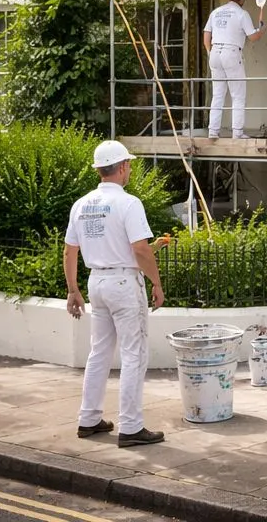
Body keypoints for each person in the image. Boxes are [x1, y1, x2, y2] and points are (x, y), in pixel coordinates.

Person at [64, 140, 165, 448]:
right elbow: (139, 249)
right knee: (134, 354)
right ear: (121, 168)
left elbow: (70, 251)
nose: (130, 170)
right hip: (123, 284)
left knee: (99, 352)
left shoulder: (81, 205)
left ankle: (89, 418)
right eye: (128, 165)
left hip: (97, 282)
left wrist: (72, 289)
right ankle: (131, 427)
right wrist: (157, 283)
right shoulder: (128, 203)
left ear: (99, 169)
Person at [204, 0, 265, 140]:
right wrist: (261, 31)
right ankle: (237, 132)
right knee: (238, 95)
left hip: (214, 53)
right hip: (231, 53)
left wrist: (210, 53)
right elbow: (253, 37)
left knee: (218, 94)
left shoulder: (216, 12)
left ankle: (213, 131)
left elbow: (206, 35)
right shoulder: (241, 14)